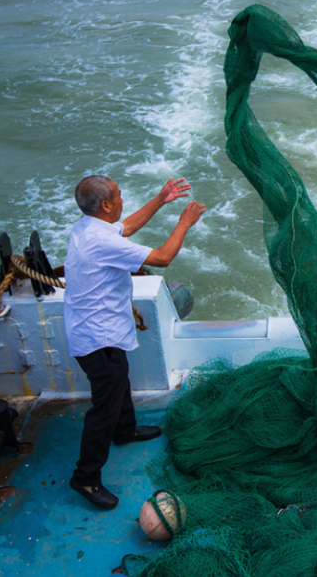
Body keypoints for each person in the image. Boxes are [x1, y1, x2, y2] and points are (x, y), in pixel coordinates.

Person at [64, 174, 205, 509]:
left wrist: (161, 198)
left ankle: (124, 430)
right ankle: (85, 477)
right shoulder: (101, 241)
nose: (122, 198)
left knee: (119, 377)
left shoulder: (87, 228)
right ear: (106, 205)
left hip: (98, 329)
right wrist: (184, 222)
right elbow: (162, 257)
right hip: (96, 337)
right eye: (118, 195)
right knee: (104, 404)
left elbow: (124, 227)